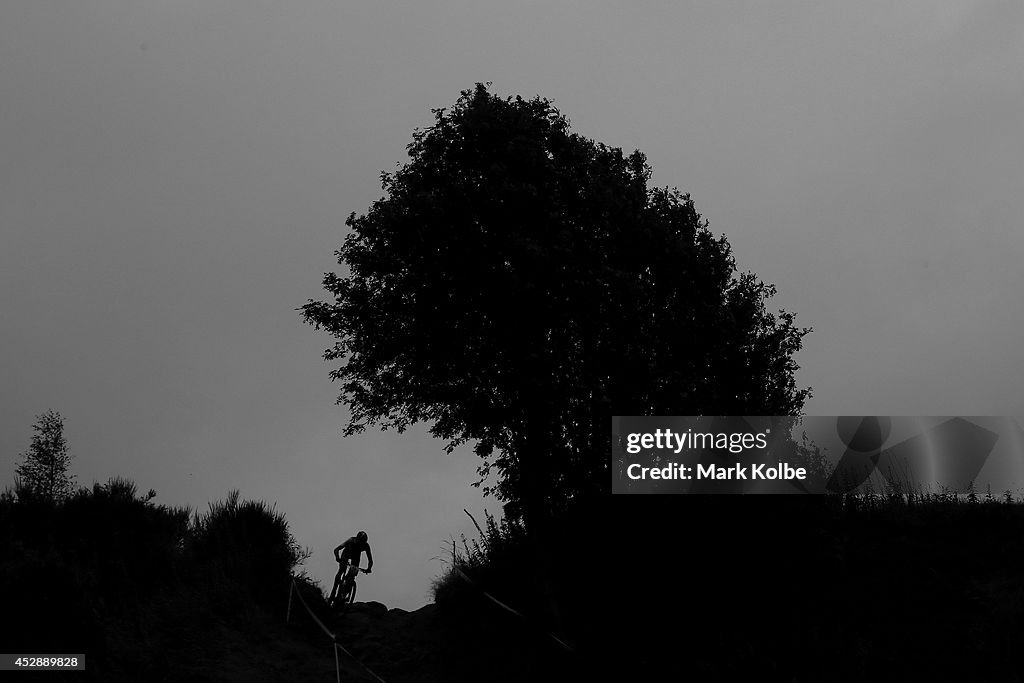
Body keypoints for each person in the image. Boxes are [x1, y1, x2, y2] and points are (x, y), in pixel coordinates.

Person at [329, 531, 373, 606]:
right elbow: (336, 549)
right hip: (346, 554)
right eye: (359, 542)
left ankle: (344, 593)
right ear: (357, 539)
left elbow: (370, 560)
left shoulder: (366, 546)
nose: (360, 544)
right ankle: (333, 592)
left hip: (355, 557)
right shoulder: (351, 540)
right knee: (342, 569)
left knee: (352, 575)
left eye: (362, 543)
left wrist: (369, 568)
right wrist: (338, 558)